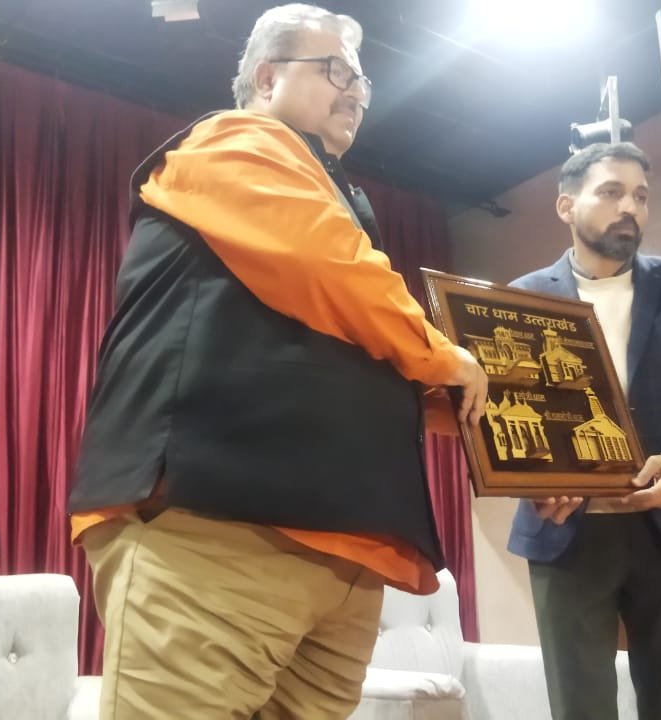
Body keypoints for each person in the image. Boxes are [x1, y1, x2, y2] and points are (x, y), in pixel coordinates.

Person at [65, 5, 488, 718]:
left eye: (363, 81)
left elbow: (335, 328)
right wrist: (444, 358)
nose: (356, 92)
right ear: (266, 78)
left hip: (346, 553)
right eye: (336, 72)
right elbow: (328, 263)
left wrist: (454, 406)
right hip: (218, 536)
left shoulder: (332, 196)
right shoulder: (235, 141)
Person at [507, 142, 661, 720]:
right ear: (566, 206)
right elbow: (505, 409)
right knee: (579, 708)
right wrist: (534, 480)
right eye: (611, 192)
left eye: (640, 195)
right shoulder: (520, 297)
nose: (630, 208)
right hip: (566, 531)